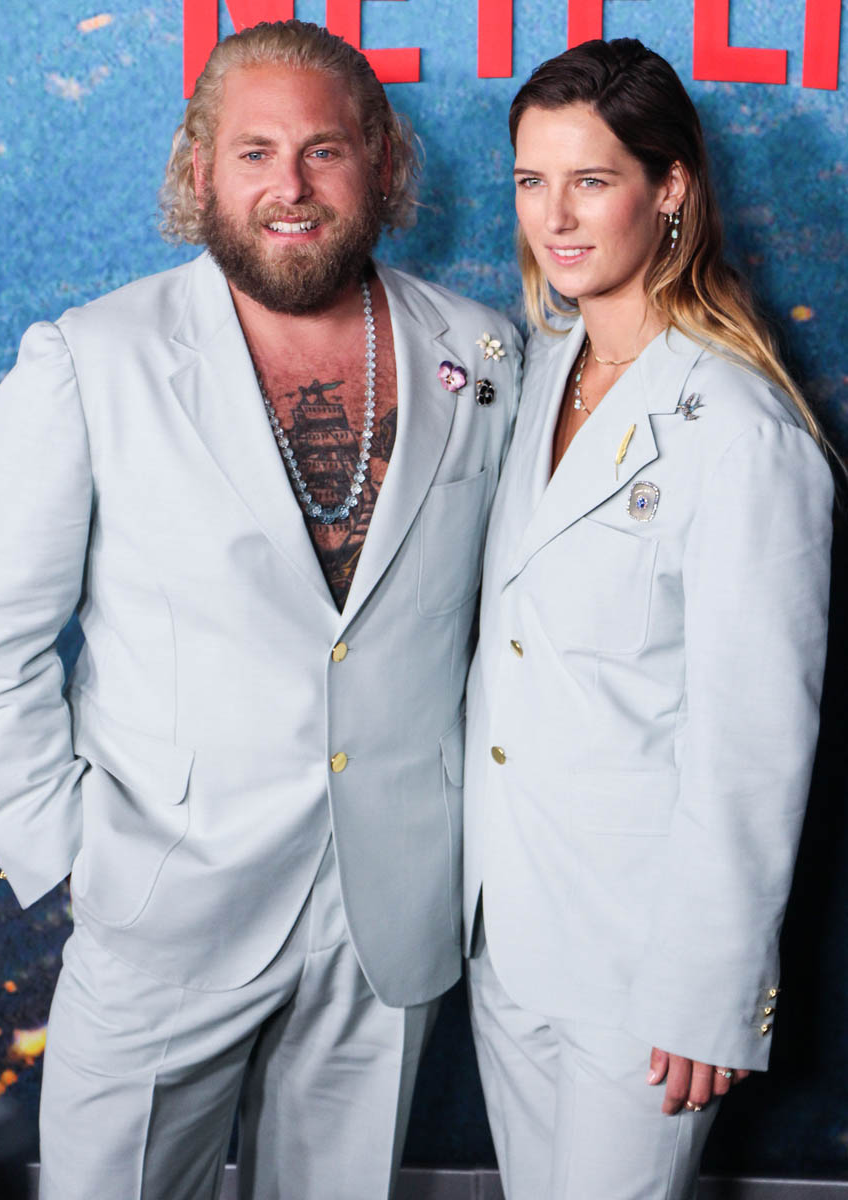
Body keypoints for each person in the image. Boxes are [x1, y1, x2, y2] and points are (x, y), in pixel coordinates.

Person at [0, 20, 521, 1200]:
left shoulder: (483, 351)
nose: (290, 186)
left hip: (388, 906)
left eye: (324, 150)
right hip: (163, 899)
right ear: (199, 167)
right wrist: (74, 856)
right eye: (255, 152)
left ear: (380, 162)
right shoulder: (89, 360)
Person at [463, 37, 833, 1200]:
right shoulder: (540, 370)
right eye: (532, 181)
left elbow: (753, 742)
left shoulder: (744, 433)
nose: (556, 217)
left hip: (644, 964)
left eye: (592, 180)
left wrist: (713, 986)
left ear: (670, 187)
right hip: (511, 930)